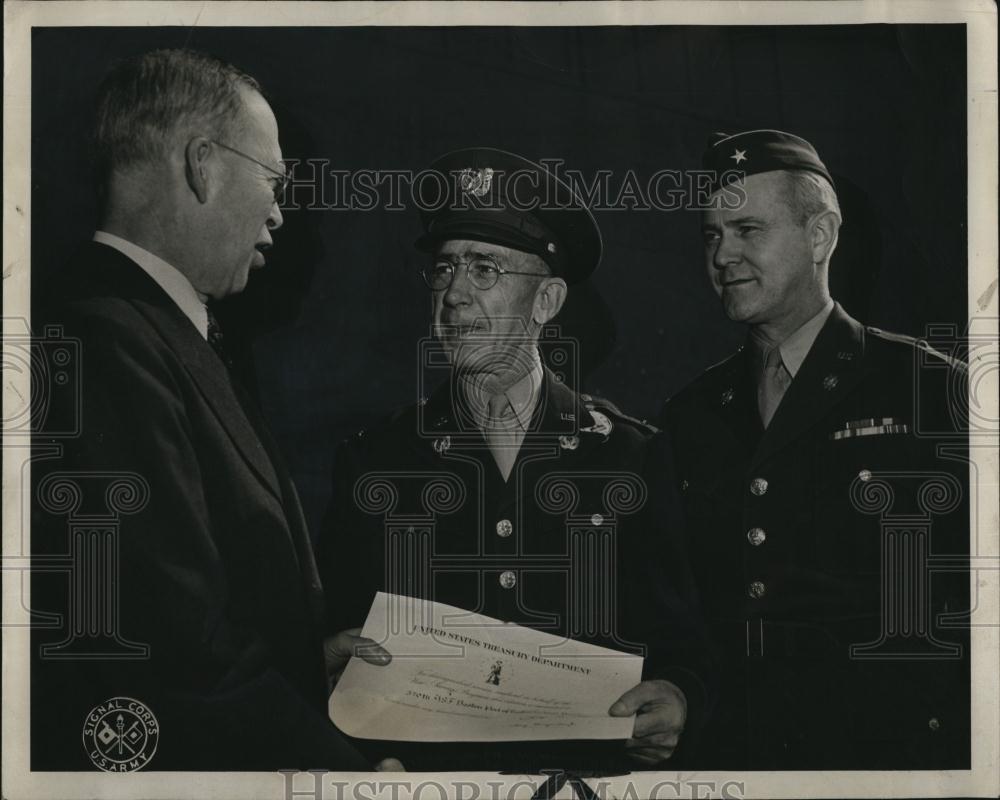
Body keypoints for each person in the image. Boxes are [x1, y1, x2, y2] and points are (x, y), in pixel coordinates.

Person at [31, 49, 394, 771]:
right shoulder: (101, 338)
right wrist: (352, 778)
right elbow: (172, 643)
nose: (282, 213)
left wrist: (299, 660)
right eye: (274, 180)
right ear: (202, 163)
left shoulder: (149, 331)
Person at [317, 148, 709, 772]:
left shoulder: (630, 456)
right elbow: (333, 641)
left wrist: (682, 697)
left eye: (485, 270)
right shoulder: (374, 461)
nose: (455, 297)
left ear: (547, 302)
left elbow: (682, 642)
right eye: (445, 270)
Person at [659, 129, 970, 769]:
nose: (723, 255)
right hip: (735, 756)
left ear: (821, 236)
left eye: (748, 229)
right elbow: (684, 609)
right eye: (712, 235)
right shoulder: (691, 414)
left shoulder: (930, 390)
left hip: (885, 756)